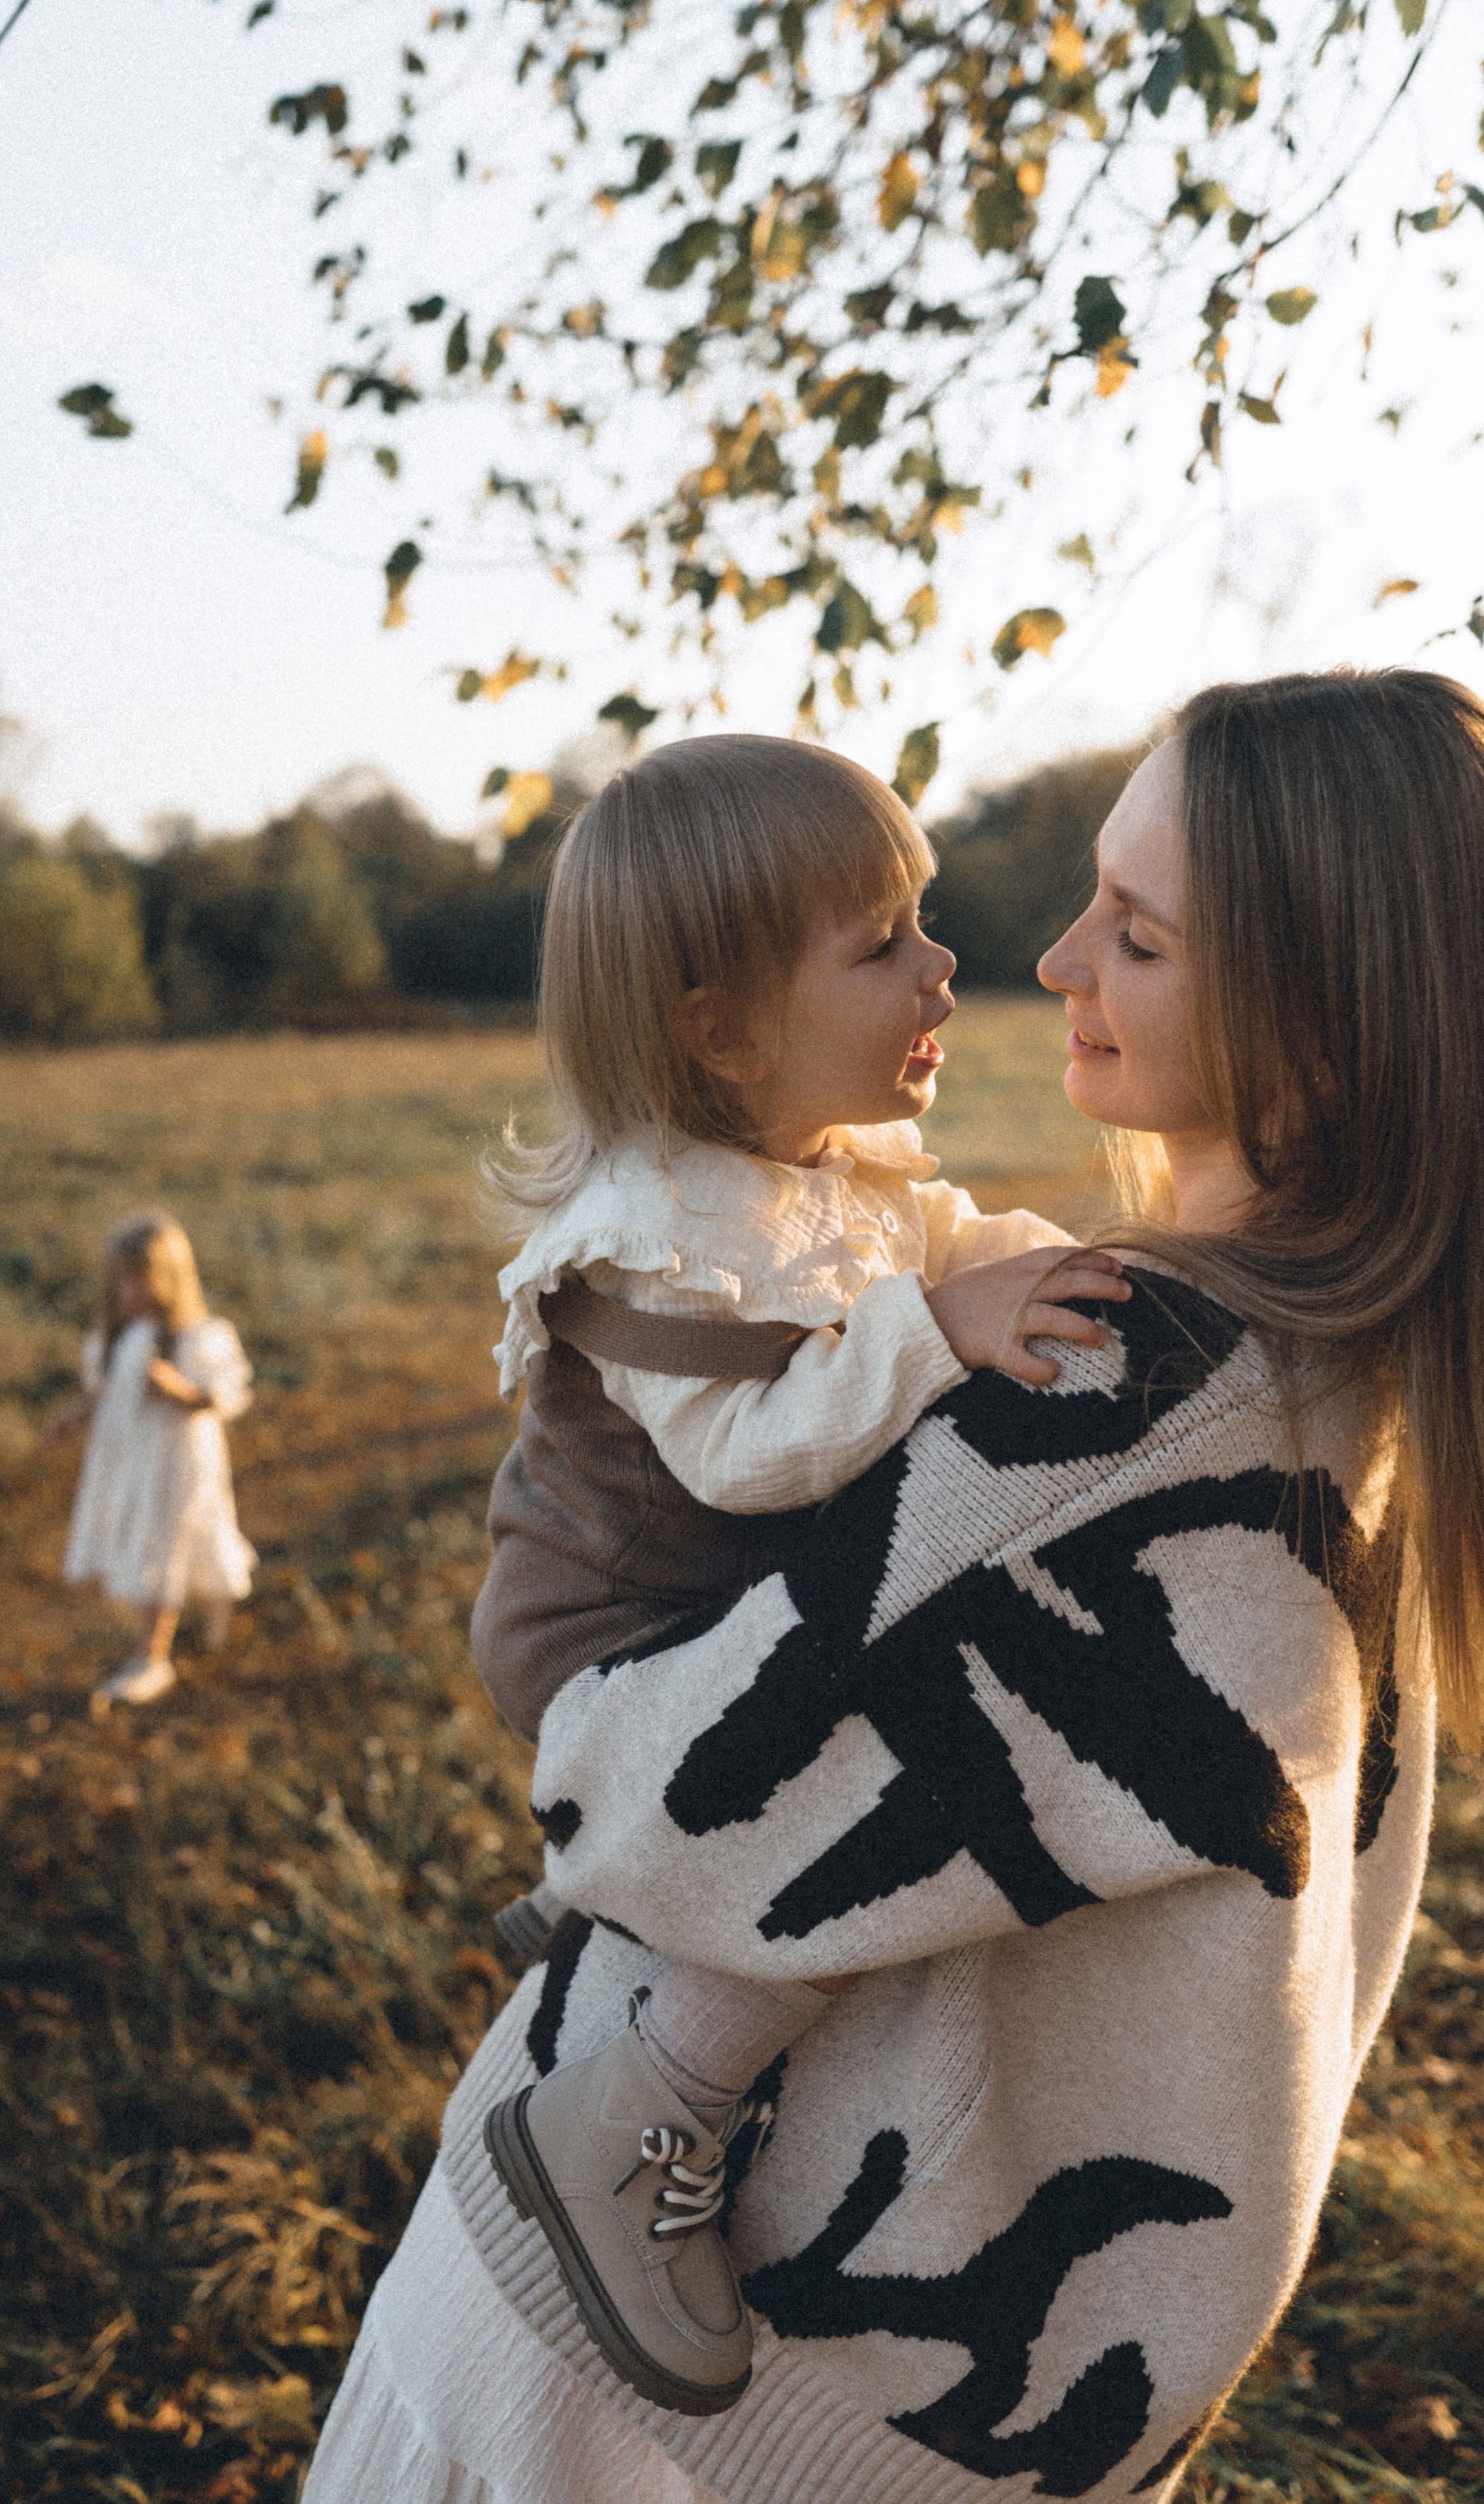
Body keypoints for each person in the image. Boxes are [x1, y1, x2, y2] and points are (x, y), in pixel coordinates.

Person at [303, 668, 1484, 2504]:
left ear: (1326, 1024)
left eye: (1134, 934)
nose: (1046, 961)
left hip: (673, 2432)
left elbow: (653, 1804)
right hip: (737, 2390)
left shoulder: (1152, 1403)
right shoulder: (1339, 1383)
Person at [466, 733, 1128, 2413]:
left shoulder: (826, 1173)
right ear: (719, 1027)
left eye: (918, 918)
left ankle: (628, 1882)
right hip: (618, 1636)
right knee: (883, 1791)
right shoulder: (652, 1229)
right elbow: (744, 1453)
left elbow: (958, 1248)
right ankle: (647, 2102)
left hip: (728, 1606)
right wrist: (935, 1325)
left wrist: (1067, 1269)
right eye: (879, 943)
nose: (943, 962)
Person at [48, 1211, 255, 1712]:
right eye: (119, 1281)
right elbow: (103, 1394)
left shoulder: (196, 1337)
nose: (127, 1292)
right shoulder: (118, 1338)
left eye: (137, 1280)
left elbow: (225, 1396)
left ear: (170, 1279)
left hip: (176, 1465)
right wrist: (72, 1418)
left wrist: (179, 1389)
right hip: (131, 1465)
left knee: (167, 1544)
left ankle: (152, 1658)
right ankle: (209, 1602)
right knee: (164, 1541)